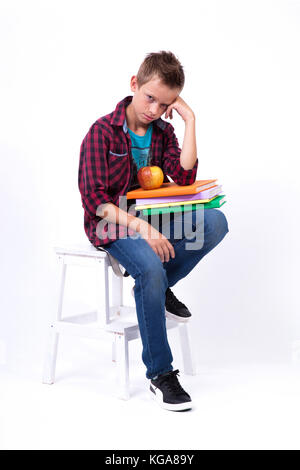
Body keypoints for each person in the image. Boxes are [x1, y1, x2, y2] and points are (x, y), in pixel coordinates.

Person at [78, 51, 229, 411]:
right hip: (113, 223)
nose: (154, 110)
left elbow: (186, 176)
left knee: (214, 222)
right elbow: (96, 202)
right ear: (134, 84)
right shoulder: (102, 132)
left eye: (164, 105)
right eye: (150, 98)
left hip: (153, 221)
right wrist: (141, 228)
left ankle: (158, 289)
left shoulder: (163, 132)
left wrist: (190, 119)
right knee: (147, 266)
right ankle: (160, 373)